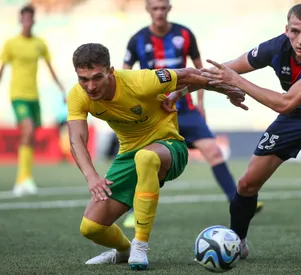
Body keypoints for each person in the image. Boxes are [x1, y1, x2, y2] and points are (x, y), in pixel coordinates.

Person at [164, 3, 301, 266]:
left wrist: (237, 82)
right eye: (295, 32)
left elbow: (284, 103)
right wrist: (181, 92)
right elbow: (224, 69)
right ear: (286, 30)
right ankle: (238, 240)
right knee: (246, 184)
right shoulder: (275, 47)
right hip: (298, 118)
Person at [67, 43, 245, 271]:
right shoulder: (78, 95)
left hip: (169, 146)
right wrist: (92, 176)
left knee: (146, 158)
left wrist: (227, 89)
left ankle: (140, 246)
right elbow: (76, 139)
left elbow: (191, 75)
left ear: (110, 71)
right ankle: (124, 250)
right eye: (83, 79)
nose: (90, 86)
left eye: (96, 77)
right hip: (129, 155)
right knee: (92, 228)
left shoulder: (140, 81)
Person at [121, 0, 262, 228]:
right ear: (148, 10)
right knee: (147, 161)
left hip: (185, 108)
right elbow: (125, 77)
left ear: (169, 8)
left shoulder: (185, 35)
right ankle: (131, 209)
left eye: (163, 8)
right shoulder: (137, 39)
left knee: (214, 151)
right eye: (155, 8)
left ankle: (238, 202)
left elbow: (199, 71)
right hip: (155, 112)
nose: (159, 12)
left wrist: (201, 104)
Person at [0, 5, 65, 197]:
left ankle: (26, 177)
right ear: (21, 20)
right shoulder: (11, 44)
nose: (28, 21)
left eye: (31, 18)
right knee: (27, 129)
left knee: (30, 135)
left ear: (34, 20)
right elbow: (2, 68)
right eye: (25, 18)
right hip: (17, 95)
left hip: (34, 97)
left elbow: (50, 66)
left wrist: (61, 87)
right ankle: (22, 179)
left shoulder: (40, 44)